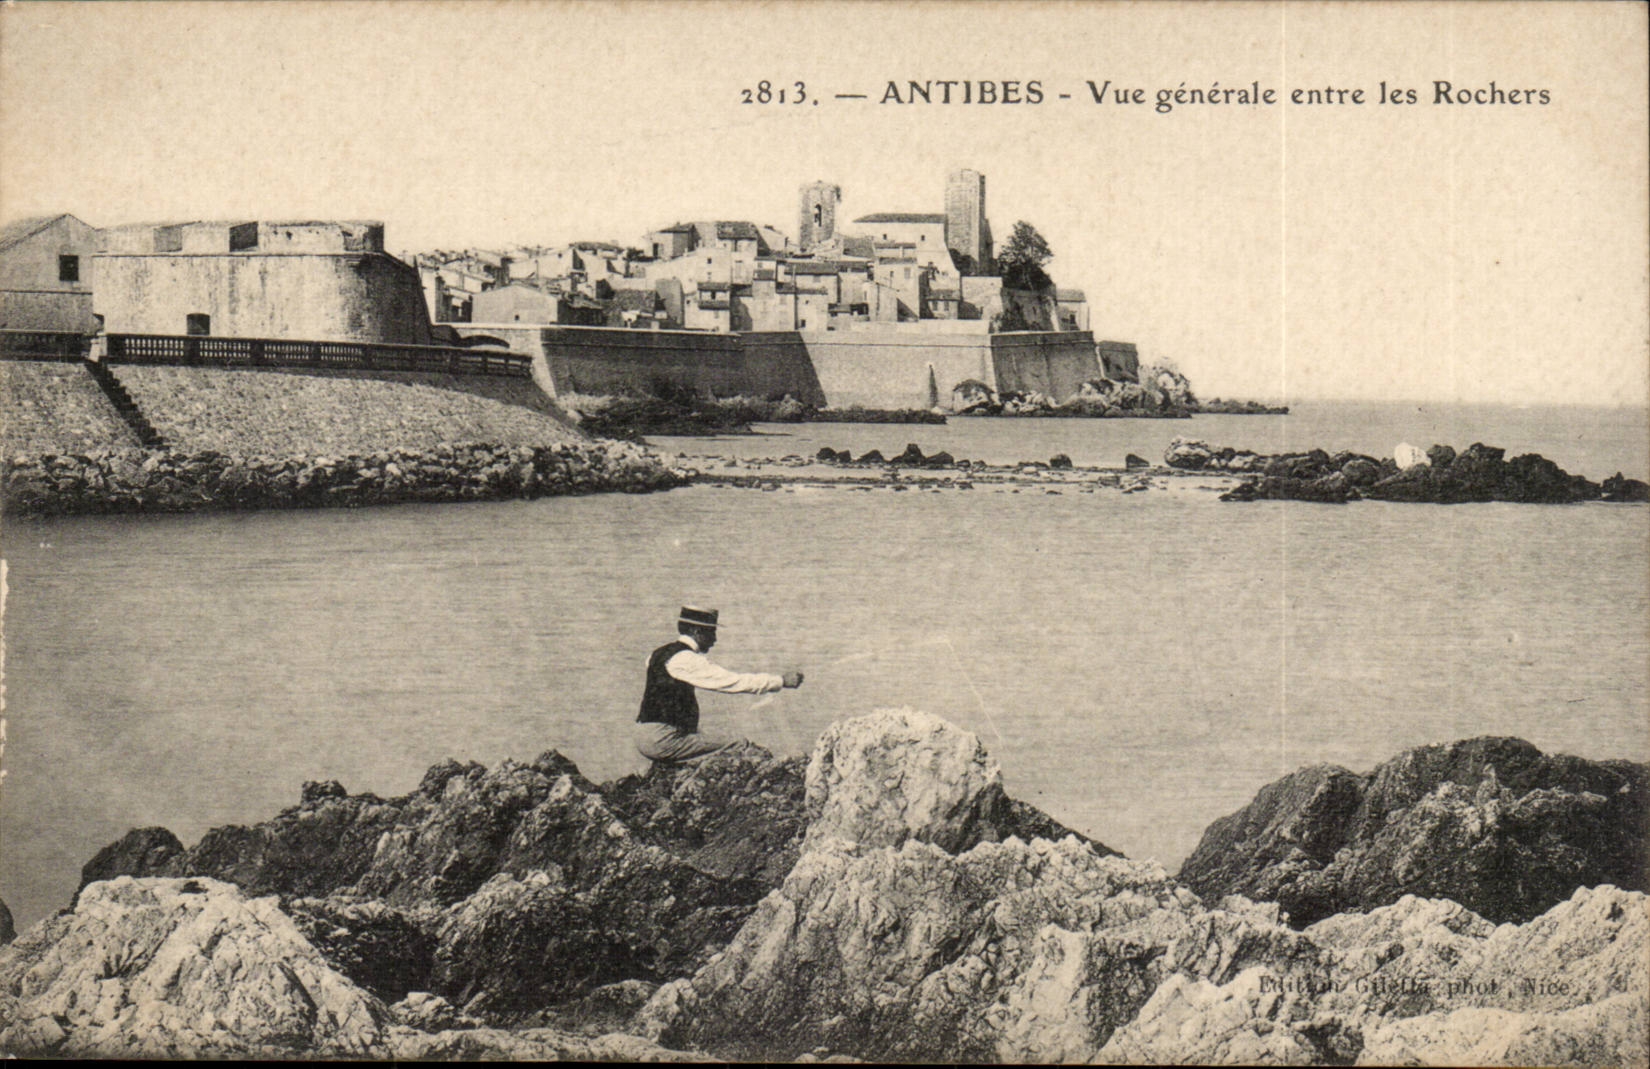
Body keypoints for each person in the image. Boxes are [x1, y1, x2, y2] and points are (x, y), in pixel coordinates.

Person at [635, 606, 803, 764]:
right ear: (697, 631)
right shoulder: (685, 659)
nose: (715, 640)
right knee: (739, 745)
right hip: (663, 740)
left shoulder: (657, 654)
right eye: (712, 632)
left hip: (646, 733)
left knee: (711, 739)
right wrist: (781, 681)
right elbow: (732, 682)